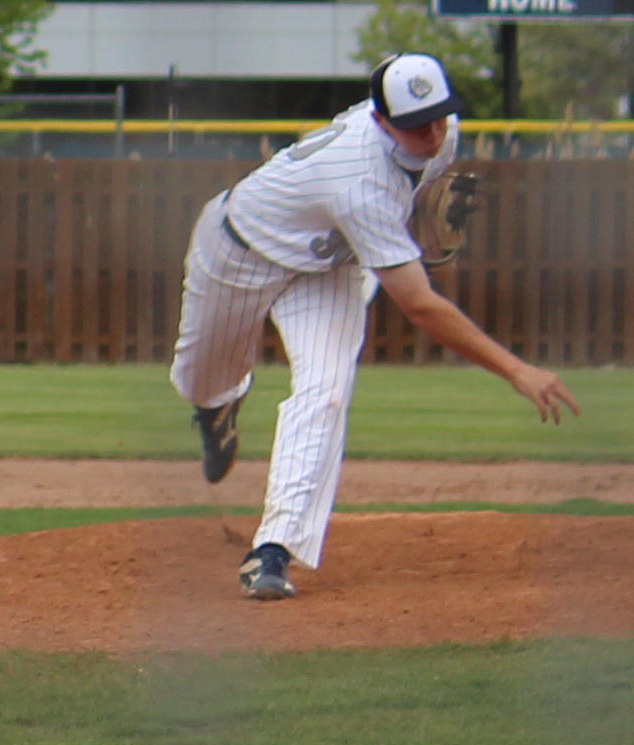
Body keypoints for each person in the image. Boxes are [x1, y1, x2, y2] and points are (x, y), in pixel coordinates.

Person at [172, 50, 578, 599]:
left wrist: (415, 225)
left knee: (327, 391)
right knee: (200, 379)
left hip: (329, 268)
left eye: (439, 114)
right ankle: (218, 405)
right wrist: (515, 369)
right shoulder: (355, 177)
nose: (433, 132)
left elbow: (412, 193)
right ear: (381, 120)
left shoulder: (444, 134)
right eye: (415, 125)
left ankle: (272, 551)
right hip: (239, 252)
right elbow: (419, 306)